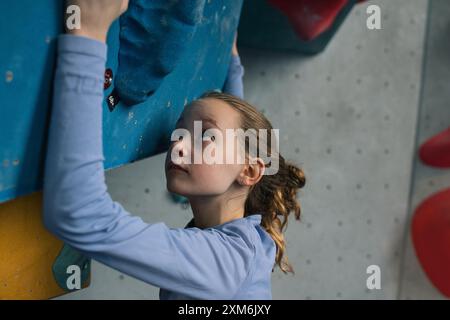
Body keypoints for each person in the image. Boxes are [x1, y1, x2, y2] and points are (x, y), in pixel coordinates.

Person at [43, 0, 305, 299]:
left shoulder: (221, 263)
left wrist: (88, 35)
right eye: (179, 132)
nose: (179, 145)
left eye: (204, 135)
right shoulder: (248, 242)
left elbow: (79, 214)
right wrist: (230, 58)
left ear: (249, 171)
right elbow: (243, 142)